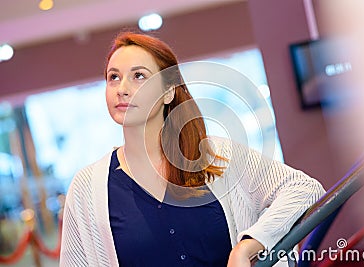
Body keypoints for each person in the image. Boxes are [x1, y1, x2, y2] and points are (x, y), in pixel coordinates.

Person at [60, 31, 325, 267]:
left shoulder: (217, 156)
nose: (122, 89)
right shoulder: (87, 187)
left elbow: (305, 189)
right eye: (113, 78)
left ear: (169, 92)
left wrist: (248, 247)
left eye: (138, 76)